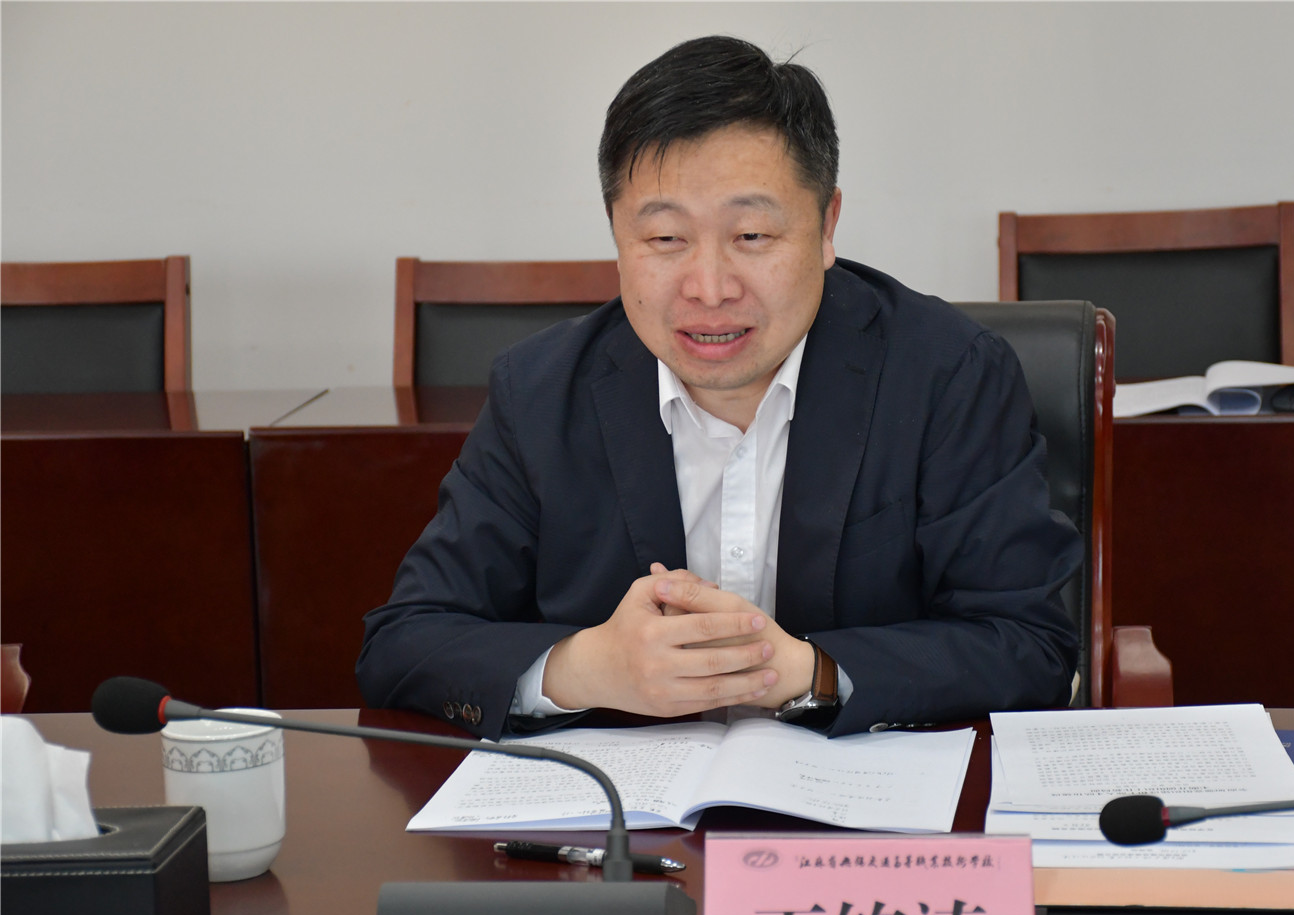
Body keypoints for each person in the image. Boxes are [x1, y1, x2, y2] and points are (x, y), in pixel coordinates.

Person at [357, 35, 1081, 738]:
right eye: (665, 240)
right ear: (616, 234)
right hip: (626, 811)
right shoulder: (539, 394)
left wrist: (808, 672)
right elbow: (404, 642)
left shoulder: (948, 376)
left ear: (827, 224)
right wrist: (586, 668)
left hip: (860, 803)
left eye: (752, 236)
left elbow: (1029, 645)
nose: (709, 288)